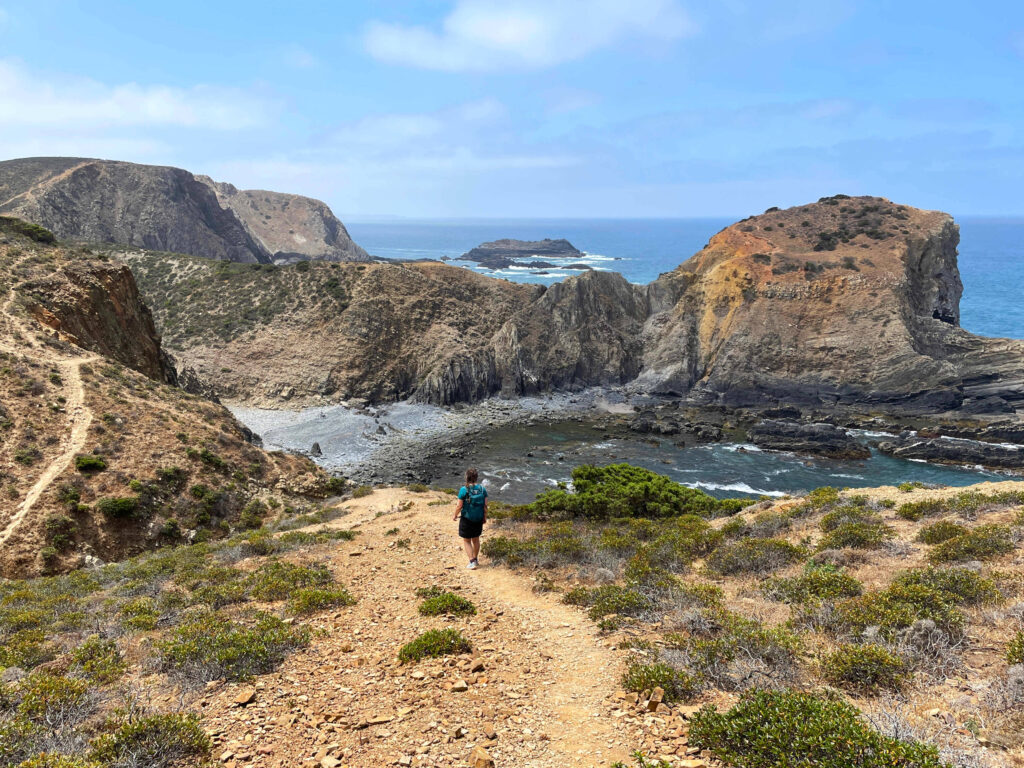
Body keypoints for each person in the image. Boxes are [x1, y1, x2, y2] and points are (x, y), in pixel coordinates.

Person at [453, 468, 487, 569]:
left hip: (467, 519)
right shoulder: (482, 489)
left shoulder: (464, 489)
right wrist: (484, 517)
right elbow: (485, 506)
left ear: (466, 477)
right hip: (478, 518)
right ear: (476, 477)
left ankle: (471, 561)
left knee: (467, 540)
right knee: (476, 540)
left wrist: (455, 515)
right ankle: (475, 559)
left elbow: (459, 505)